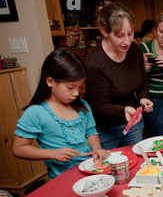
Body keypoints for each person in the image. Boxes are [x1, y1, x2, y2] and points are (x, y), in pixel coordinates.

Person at [13, 49, 110, 180]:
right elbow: (19, 149)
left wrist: (97, 148)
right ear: (50, 81)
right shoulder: (36, 112)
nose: (76, 93)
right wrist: (53, 153)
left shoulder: (82, 106)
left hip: (91, 169)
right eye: (70, 88)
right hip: (62, 177)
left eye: (79, 87)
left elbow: (91, 132)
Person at [84, 2, 153, 150]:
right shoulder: (95, 63)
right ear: (104, 31)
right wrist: (123, 111)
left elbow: (143, 81)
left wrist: (143, 97)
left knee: (135, 162)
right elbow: (99, 106)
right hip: (106, 129)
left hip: (134, 122)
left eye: (130, 34)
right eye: (120, 36)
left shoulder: (134, 49)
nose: (127, 41)